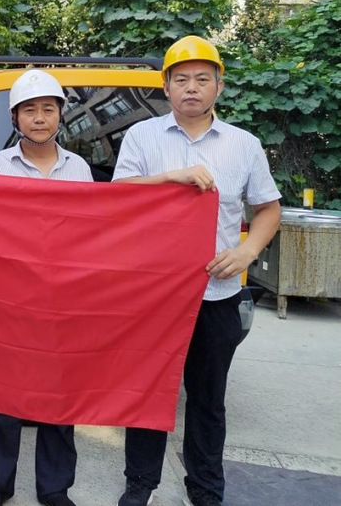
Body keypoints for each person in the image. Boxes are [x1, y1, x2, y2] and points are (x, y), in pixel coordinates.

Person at [112, 36, 282, 506]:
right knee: (147, 394)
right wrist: (171, 177)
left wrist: (247, 252)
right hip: (154, 295)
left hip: (217, 294)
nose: (192, 87)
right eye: (181, 79)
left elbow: (268, 209)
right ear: (166, 87)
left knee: (208, 400)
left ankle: (205, 489)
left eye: (202, 79)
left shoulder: (243, 145)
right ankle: (140, 484)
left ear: (218, 87)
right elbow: (119, 197)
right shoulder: (142, 137)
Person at [0, 69, 89, 506]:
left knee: (59, 398)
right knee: (2, 397)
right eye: (29, 110)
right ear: (14, 117)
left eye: (48, 109)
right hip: (8, 301)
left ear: (60, 114)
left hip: (63, 302)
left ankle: (54, 488)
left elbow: (88, 234)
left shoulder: (78, 169)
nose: (39, 118)